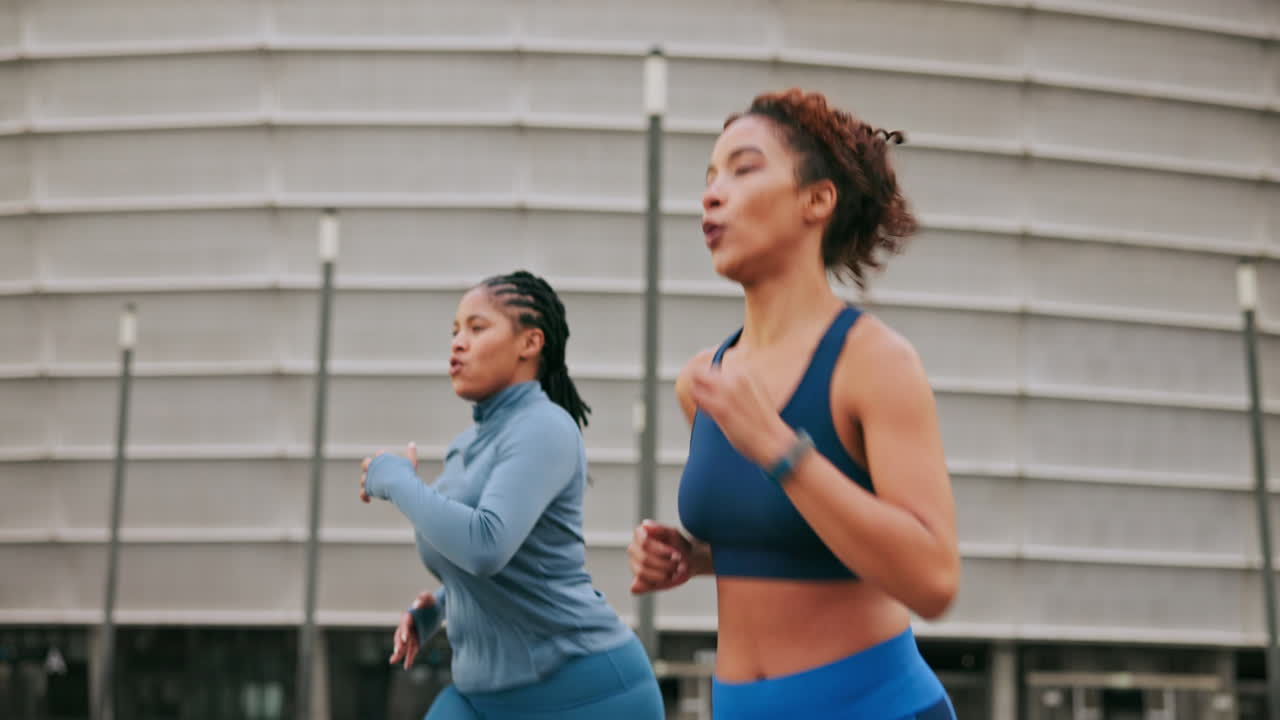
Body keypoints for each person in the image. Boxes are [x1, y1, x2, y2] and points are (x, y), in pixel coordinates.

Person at [626, 89, 960, 719]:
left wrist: (782, 450)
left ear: (817, 200)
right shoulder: (705, 381)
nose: (713, 193)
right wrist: (695, 558)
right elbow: (800, 539)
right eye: (709, 177)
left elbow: (934, 580)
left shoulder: (873, 362)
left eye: (744, 169)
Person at [361, 270, 664, 720]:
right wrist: (442, 607)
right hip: (481, 697)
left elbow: (486, 545)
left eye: (477, 328)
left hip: (589, 695)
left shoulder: (544, 427)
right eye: (455, 331)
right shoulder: (465, 447)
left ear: (530, 343)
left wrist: (395, 480)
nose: (458, 342)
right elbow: (494, 567)